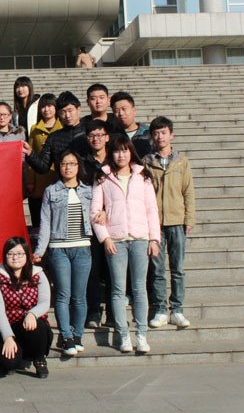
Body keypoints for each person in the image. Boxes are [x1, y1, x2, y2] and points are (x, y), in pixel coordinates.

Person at [91, 135, 160, 354]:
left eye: (125, 150)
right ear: (110, 154)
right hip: (116, 240)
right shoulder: (102, 177)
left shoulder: (143, 176)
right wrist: (105, 238)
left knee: (139, 289)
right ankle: (123, 335)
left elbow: (151, 210)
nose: (121, 155)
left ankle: (141, 334)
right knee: (118, 290)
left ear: (131, 152)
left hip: (140, 238)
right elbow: (95, 212)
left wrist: (154, 239)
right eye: (116, 151)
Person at [33, 150, 93, 356]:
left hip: (83, 247)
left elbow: (97, 213)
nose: (68, 167)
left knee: (79, 296)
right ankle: (66, 336)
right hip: (59, 248)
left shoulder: (88, 190)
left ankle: (78, 335)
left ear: (78, 166)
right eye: (64, 164)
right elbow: (45, 223)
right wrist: (40, 250)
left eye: (72, 163)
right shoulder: (51, 191)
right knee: (62, 294)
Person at [144, 116, 195, 330]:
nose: (160, 137)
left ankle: (177, 309)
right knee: (157, 269)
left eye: (163, 133)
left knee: (177, 268)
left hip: (176, 220)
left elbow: (188, 191)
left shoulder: (181, 161)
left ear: (171, 135)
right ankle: (160, 310)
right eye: (156, 133)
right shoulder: (147, 161)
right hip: (155, 223)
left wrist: (189, 218)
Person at [0, 237, 52, 378]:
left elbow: (44, 302)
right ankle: (17, 352)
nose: (15, 257)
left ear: (26, 255)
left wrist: (32, 314)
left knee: (37, 326)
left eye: (19, 254)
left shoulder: (38, 274)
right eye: (11, 254)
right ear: (5, 256)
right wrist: (8, 337)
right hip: (9, 326)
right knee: (9, 364)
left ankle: (39, 358)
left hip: (31, 326)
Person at [82, 119, 113, 328]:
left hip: (114, 223)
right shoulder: (82, 162)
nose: (96, 139)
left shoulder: (116, 159)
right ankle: (93, 311)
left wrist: (107, 211)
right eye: (92, 136)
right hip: (89, 223)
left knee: (112, 271)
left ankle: (112, 312)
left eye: (100, 135)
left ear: (107, 138)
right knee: (92, 270)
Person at [24, 91, 88, 174]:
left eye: (70, 110)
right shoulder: (54, 137)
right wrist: (30, 154)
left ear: (78, 109)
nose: (67, 115)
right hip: (62, 180)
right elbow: (43, 167)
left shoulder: (88, 132)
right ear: (58, 113)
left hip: (87, 180)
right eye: (63, 112)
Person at [27, 93, 61, 232]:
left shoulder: (62, 127)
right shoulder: (35, 129)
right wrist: (30, 180)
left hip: (58, 176)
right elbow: (30, 155)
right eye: (43, 107)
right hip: (40, 178)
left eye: (50, 106)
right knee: (40, 218)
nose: (46, 110)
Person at [110, 91, 152, 157]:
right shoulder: (111, 135)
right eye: (116, 111)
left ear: (134, 110)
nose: (121, 113)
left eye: (124, 109)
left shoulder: (149, 132)